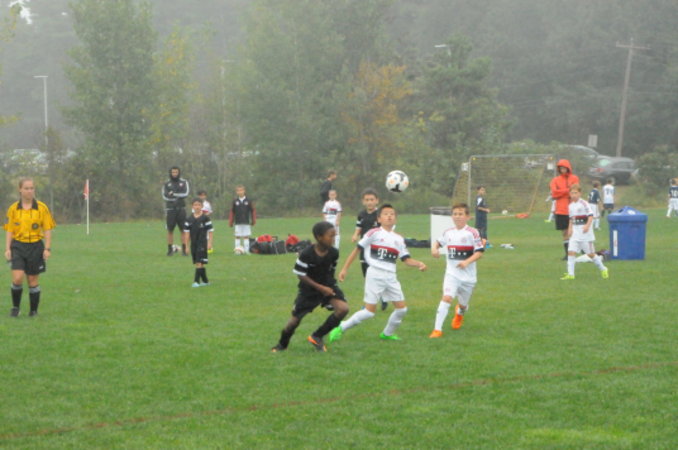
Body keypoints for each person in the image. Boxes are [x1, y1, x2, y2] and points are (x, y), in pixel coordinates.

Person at [328, 204, 427, 343]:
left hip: (391, 276)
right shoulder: (373, 233)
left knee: (401, 309)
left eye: (392, 214)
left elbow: (406, 259)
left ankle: (387, 333)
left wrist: (419, 264)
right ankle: (341, 327)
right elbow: (357, 250)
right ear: (379, 219)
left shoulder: (399, 239)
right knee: (369, 312)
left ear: (396, 219)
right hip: (375, 274)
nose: (389, 216)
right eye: (385, 214)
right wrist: (344, 269)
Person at [271, 222, 349, 353]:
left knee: (343, 309)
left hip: (327, 287)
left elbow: (331, 271)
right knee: (294, 320)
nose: (333, 239)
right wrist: (321, 288)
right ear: (319, 237)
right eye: (331, 236)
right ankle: (282, 345)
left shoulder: (334, 253)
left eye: (334, 236)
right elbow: (301, 275)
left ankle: (317, 336)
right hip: (308, 290)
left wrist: (330, 288)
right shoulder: (306, 254)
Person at [429, 203, 484, 338]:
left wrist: (466, 262)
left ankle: (459, 313)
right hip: (452, 274)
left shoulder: (472, 232)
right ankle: (437, 330)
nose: (457, 216)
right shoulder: (448, 232)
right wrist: (434, 249)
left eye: (461, 214)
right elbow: (437, 242)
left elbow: (479, 252)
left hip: (468, 277)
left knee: (463, 305)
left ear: (467, 217)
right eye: (455, 214)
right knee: (447, 298)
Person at [4, 178, 55, 317]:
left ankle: (33, 312)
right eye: (26, 188)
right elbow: (9, 230)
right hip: (18, 246)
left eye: (32, 188)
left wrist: (47, 248)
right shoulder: (13, 208)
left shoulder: (42, 208)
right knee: (17, 278)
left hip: (35, 246)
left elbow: (47, 229)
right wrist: (7, 248)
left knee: (32, 280)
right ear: (20, 190)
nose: (29, 191)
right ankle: (16, 308)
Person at [560, 184, 609, 281]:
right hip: (575, 233)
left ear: (580, 193)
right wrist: (570, 228)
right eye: (572, 193)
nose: (573, 195)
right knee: (571, 252)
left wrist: (587, 225)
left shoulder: (584, 203)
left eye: (575, 193)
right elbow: (571, 218)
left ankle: (603, 268)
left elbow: (591, 215)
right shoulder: (570, 206)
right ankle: (571, 274)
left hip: (585, 234)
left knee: (590, 254)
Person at [350, 188, 387, 310]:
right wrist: (355, 235)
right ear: (363, 201)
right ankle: (374, 299)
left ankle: (378, 298)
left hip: (376, 250)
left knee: (377, 275)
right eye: (367, 200)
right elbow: (359, 227)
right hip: (364, 249)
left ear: (377, 200)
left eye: (372, 199)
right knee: (367, 277)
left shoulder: (380, 215)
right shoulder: (361, 214)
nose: (369, 202)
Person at [549, 159, 580, 259]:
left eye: (564, 168)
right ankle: (568, 254)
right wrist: (567, 190)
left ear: (568, 168)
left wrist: (561, 192)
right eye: (561, 168)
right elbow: (554, 193)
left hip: (574, 209)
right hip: (561, 210)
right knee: (565, 232)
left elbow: (575, 191)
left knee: (576, 231)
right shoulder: (555, 180)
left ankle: (581, 250)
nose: (563, 170)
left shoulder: (574, 178)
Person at [183, 198, 213, 287]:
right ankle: (205, 281)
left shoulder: (205, 218)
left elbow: (210, 231)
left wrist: (210, 243)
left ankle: (196, 281)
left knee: (199, 262)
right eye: (195, 205)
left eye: (199, 205)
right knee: (199, 263)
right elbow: (187, 234)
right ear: (192, 206)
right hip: (194, 243)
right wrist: (186, 246)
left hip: (202, 243)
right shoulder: (189, 219)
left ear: (202, 206)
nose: (197, 207)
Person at [162, 166, 190, 256]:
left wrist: (174, 194)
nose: (174, 174)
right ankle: (170, 250)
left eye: (176, 172)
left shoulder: (184, 182)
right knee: (170, 230)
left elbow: (185, 193)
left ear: (179, 172)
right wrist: (174, 198)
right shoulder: (166, 183)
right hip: (171, 209)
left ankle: (184, 250)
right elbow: (165, 196)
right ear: (170, 173)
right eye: (173, 172)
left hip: (181, 209)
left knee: (183, 230)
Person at [229, 185, 256, 254]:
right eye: (238, 190)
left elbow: (253, 211)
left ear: (244, 191)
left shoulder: (248, 201)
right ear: (236, 192)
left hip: (246, 222)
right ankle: (237, 251)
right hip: (237, 222)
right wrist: (231, 221)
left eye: (241, 190)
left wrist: (253, 220)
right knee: (237, 236)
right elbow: (232, 211)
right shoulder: (235, 201)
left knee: (246, 236)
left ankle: (247, 251)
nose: (240, 192)